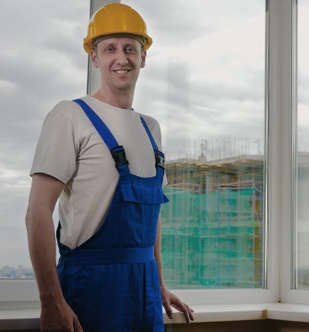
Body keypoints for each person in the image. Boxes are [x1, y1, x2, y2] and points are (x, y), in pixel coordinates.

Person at [25, 3, 194, 331]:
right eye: (110, 48)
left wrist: (157, 284)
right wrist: (51, 300)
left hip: (145, 295)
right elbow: (36, 213)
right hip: (90, 288)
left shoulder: (151, 128)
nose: (122, 58)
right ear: (94, 57)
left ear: (143, 57)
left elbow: (152, 217)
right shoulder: (69, 117)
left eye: (131, 48)